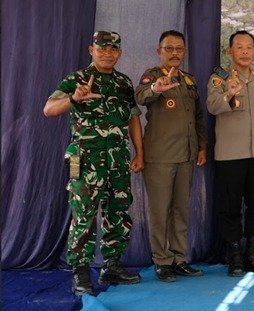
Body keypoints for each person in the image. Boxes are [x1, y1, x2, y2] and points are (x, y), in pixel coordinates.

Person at [43, 31, 144, 295]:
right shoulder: (76, 79)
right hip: (85, 158)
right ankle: (81, 271)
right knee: (84, 214)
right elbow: (48, 109)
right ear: (92, 50)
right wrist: (74, 99)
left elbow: (133, 118)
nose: (108, 53)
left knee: (118, 210)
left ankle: (112, 265)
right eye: (102, 48)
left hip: (117, 159)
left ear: (119, 53)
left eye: (113, 49)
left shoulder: (123, 82)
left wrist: (139, 153)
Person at [207, 30, 254, 277]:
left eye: (249, 47)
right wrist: (229, 93)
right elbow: (212, 107)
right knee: (229, 208)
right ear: (230, 51)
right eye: (239, 47)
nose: (245, 51)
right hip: (229, 156)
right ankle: (234, 256)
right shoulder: (219, 79)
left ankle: (252, 254)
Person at [134, 30, 207, 282]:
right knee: (159, 211)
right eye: (169, 48)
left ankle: (178, 258)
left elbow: (197, 117)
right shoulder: (152, 76)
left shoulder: (189, 80)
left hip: (186, 155)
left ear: (184, 52)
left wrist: (201, 146)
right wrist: (156, 88)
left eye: (179, 49)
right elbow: (140, 96)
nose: (175, 53)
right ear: (159, 51)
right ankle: (162, 261)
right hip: (160, 157)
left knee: (181, 210)